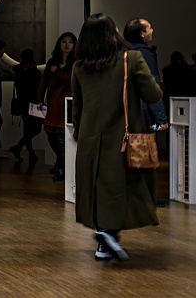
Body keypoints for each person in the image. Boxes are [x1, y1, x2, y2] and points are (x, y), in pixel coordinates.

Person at [71, 13, 163, 262]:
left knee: (98, 188)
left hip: (90, 138)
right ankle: (108, 234)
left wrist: (79, 133)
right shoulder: (130, 59)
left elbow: (77, 107)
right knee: (125, 187)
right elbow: (153, 95)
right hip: (124, 138)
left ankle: (105, 241)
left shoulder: (80, 66)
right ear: (112, 33)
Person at [37, 32, 77, 181]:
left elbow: (74, 80)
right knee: (51, 135)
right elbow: (43, 82)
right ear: (59, 44)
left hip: (67, 104)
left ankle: (62, 168)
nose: (67, 45)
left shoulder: (76, 62)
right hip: (53, 103)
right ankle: (62, 165)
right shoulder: (52, 62)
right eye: (64, 41)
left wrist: (58, 71)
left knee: (60, 135)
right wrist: (40, 100)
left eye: (70, 42)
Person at [123, 18, 168, 131]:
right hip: (143, 113)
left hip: (124, 112)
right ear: (141, 34)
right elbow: (151, 85)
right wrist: (161, 119)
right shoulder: (144, 53)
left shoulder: (122, 52)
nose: (152, 30)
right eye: (149, 28)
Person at [9, 49, 43, 165]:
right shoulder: (35, 72)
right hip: (34, 104)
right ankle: (19, 147)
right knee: (36, 129)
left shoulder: (18, 72)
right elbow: (39, 89)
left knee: (28, 129)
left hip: (22, 104)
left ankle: (30, 152)